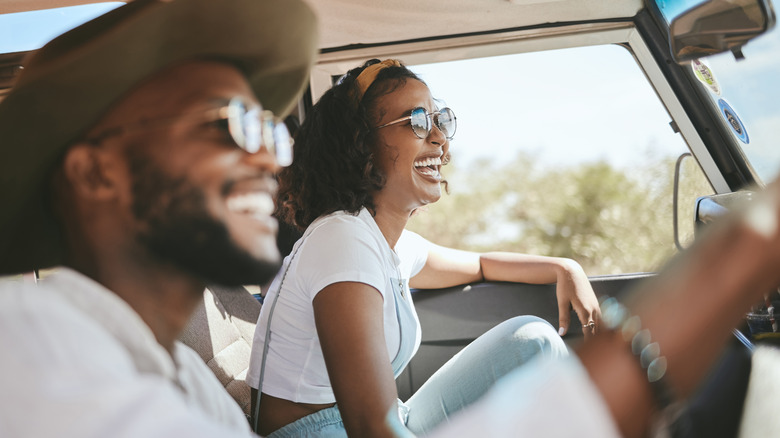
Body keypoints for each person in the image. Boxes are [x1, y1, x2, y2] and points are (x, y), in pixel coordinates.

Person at [0, 0, 317, 436]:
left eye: (267, 131)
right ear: (95, 173)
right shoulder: (27, 342)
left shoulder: (182, 373)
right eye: (230, 123)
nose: (269, 160)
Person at [246, 58, 601, 437]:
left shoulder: (385, 242)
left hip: (377, 423)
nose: (439, 138)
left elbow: (481, 264)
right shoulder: (342, 241)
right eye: (416, 121)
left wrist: (565, 268)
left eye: (439, 120)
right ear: (360, 144)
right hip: (321, 432)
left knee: (531, 340)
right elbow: (371, 428)